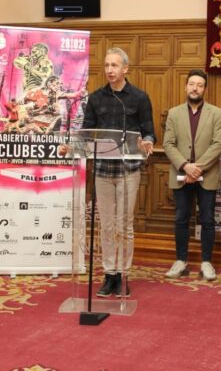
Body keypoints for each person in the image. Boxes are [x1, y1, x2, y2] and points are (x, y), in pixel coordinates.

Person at [82, 47, 155, 297]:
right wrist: (74, 146)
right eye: (106, 65)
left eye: (114, 65)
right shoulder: (95, 98)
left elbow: (148, 130)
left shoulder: (139, 97)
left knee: (124, 224)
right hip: (102, 170)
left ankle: (123, 274)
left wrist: (147, 142)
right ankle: (108, 274)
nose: (109, 70)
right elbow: (86, 131)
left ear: (125, 68)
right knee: (107, 224)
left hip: (128, 169)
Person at [163, 69, 221, 281]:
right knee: (181, 218)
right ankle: (180, 261)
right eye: (192, 84)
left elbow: (218, 144)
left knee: (207, 219)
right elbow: (168, 144)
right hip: (181, 175)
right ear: (186, 87)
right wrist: (185, 166)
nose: (195, 88)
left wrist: (197, 167)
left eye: (199, 85)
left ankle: (207, 262)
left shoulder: (217, 113)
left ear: (205, 89)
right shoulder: (174, 113)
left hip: (206, 176)